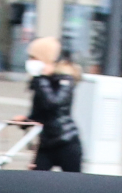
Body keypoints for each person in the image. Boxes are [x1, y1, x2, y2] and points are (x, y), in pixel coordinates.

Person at [14, 36, 84, 172]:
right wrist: (26, 121)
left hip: (66, 141)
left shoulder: (65, 79)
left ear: (46, 58)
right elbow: (40, 114)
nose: (31, 61)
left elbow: (53, 103)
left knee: (74, 186)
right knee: (34, 182)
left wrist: (41, 79)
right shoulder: (41, 81)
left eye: (34, 57)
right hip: (46, 143)